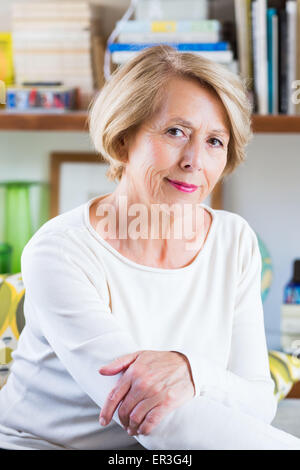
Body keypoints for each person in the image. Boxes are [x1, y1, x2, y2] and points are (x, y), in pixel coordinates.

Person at [0, 45, 299, 450]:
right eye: (176, 132)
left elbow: (258, 402)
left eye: (215, 141)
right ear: (123, 140)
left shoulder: (235, 240)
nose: (195, 160)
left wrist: (192, 371)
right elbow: (150, 417)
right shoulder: (59, 252)